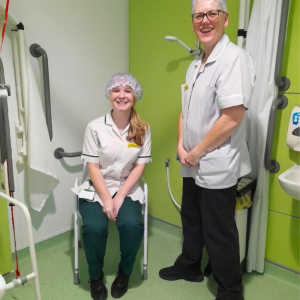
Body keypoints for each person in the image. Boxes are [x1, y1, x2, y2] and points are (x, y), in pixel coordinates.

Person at [159, 1, 255, 300]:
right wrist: (180, 145)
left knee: (219, 231)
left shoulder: (233, 59)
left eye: (212, 14)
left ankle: (230, 290)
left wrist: (197, 151)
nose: (205, 20)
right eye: (198, 15)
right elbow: (185, 111)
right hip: (191, 159)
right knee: (191, 217)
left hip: (214, 161)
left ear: (225, 19)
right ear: (192, 22)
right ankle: (189, 265)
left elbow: (232, 117)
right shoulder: (196, 62)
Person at [78, 73, 151, 300]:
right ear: (109, 95)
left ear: (134, 96)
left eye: (127, 90)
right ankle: (95, 277)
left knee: (132, 225)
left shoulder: (143, 129)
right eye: (116, 91)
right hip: (97, 185)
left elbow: (139, 167)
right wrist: (107, 199)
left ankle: (124, 272)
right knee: (93, 227)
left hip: (126, 186)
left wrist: (119, 196)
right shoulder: (95, 127)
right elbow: (93, 167)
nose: (121, 95)